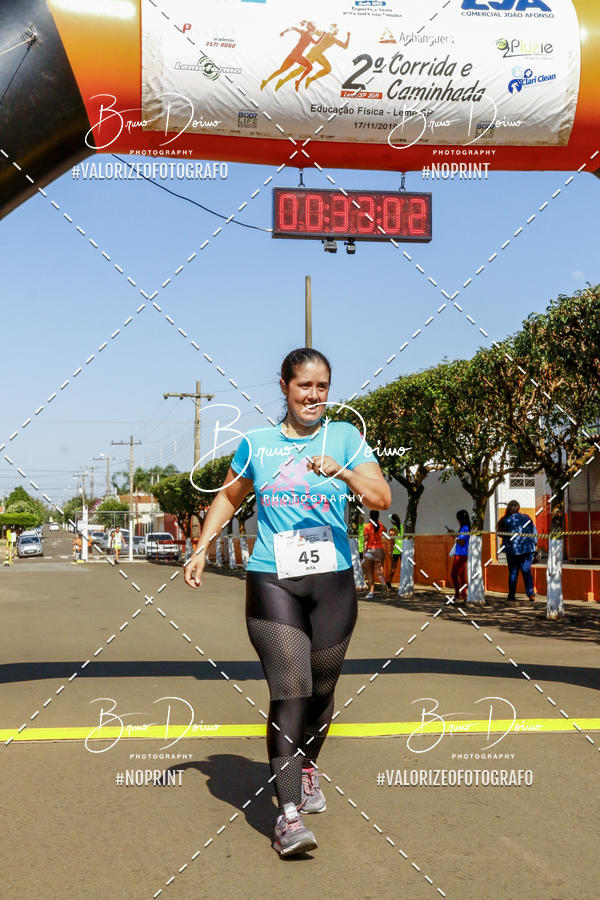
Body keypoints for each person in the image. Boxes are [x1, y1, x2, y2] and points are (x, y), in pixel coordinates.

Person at [185, 348, 391, 857]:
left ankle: (305, 768)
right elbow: (230, 497)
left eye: (323, 387)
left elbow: (381, 498)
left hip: (333, 583)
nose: (314, 396)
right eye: (305, 386)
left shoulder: (344, 437)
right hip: (273, 579)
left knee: (322, 688)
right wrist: (203, 546)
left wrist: (343, 472)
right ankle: (289, 816)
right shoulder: (258, 444)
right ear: (284, 386)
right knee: (292, 688)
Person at [261, 21, 323, 93]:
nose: (314, 30)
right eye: (313, 29)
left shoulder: (308, 36)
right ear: (311, 29)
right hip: (296, 56)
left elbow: (316, 43)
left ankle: (266, 81)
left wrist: (284, 32)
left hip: (294, 55)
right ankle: (298, 81)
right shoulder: (304, 33)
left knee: (281, 70)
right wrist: (283, 32)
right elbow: (293, 28)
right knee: (309, 67)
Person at [497, 500, 537, 603]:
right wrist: (535, 545)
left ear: (508, 508)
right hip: (527, 549)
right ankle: (530, 593)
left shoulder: (505, 520)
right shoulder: (526, 517)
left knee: (513, 573)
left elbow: (500, 534)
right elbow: (534, 532)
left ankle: (511, 595)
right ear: (518, 508)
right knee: (526, 571)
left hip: (512, 551)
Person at [362, 510, 387, 599]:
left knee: (369, 573)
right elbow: (385, 529)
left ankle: (371, 592)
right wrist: (379, 522)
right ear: (378, 516)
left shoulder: (367, 526)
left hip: (370, 550)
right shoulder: (380, 525)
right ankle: (384, 585)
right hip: (379, 550)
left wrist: (364, 552)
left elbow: (366, 540)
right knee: (379, 572)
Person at [447, 510, 470, 603]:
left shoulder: (465, 528)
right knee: (460, 575)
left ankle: (459, 595)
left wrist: (454, 536)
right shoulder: (464, 528)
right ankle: (462, 595)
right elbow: (460, 539)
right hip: (461, 553)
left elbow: (461, 541)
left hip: (461, 554)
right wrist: (455, 534)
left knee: (454, 574)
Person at [385, 513, 404, 590]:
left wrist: (391, 551)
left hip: (396, 550)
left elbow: (392, 541)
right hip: (403, 550)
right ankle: (403, 583)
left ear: (393, 522)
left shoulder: (393, 529)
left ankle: (389, 583)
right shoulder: (403, 527)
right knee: (404, 567)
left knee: (393, 568)